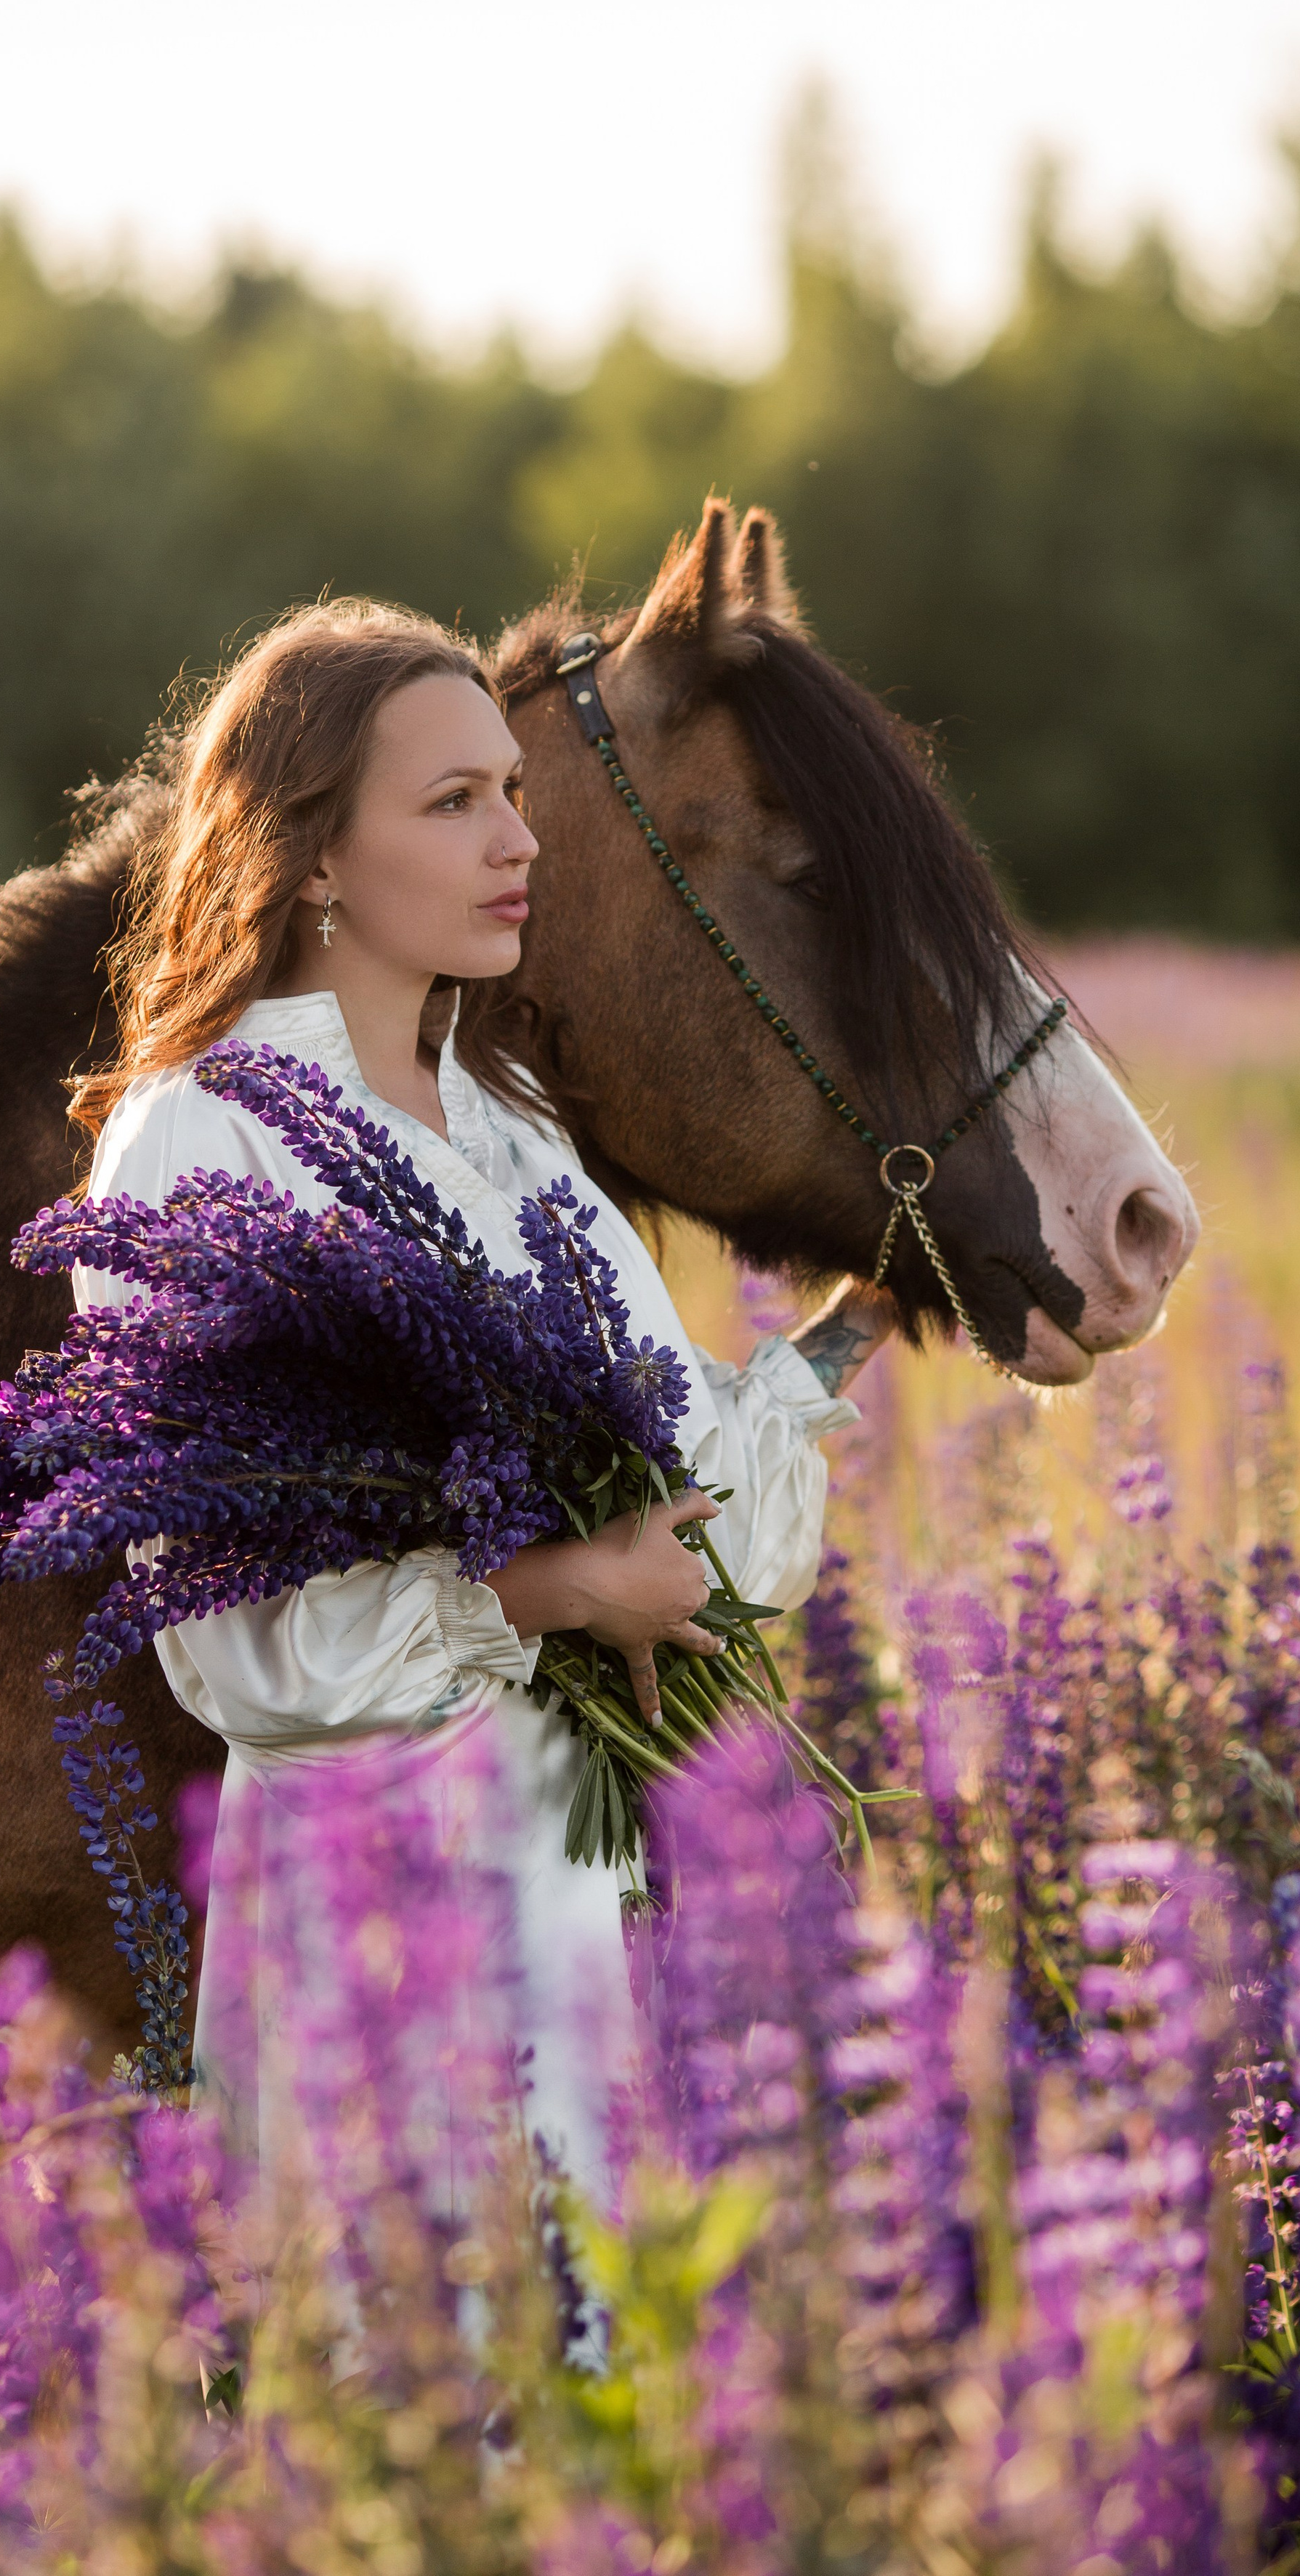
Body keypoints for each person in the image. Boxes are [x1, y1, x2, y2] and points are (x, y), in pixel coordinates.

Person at [70, 601, 894, 2203]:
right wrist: (560, 1587)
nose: (517, 839)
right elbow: (230, 1641)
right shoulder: (195, 1144)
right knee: (414, 2388)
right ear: (308, 851)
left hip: (566, 1877)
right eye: (453, 802)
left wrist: (874, 1311)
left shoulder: (504, 1124)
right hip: (363, 1900)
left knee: (579, 2370)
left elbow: (697, 1487)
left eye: (511, 791)